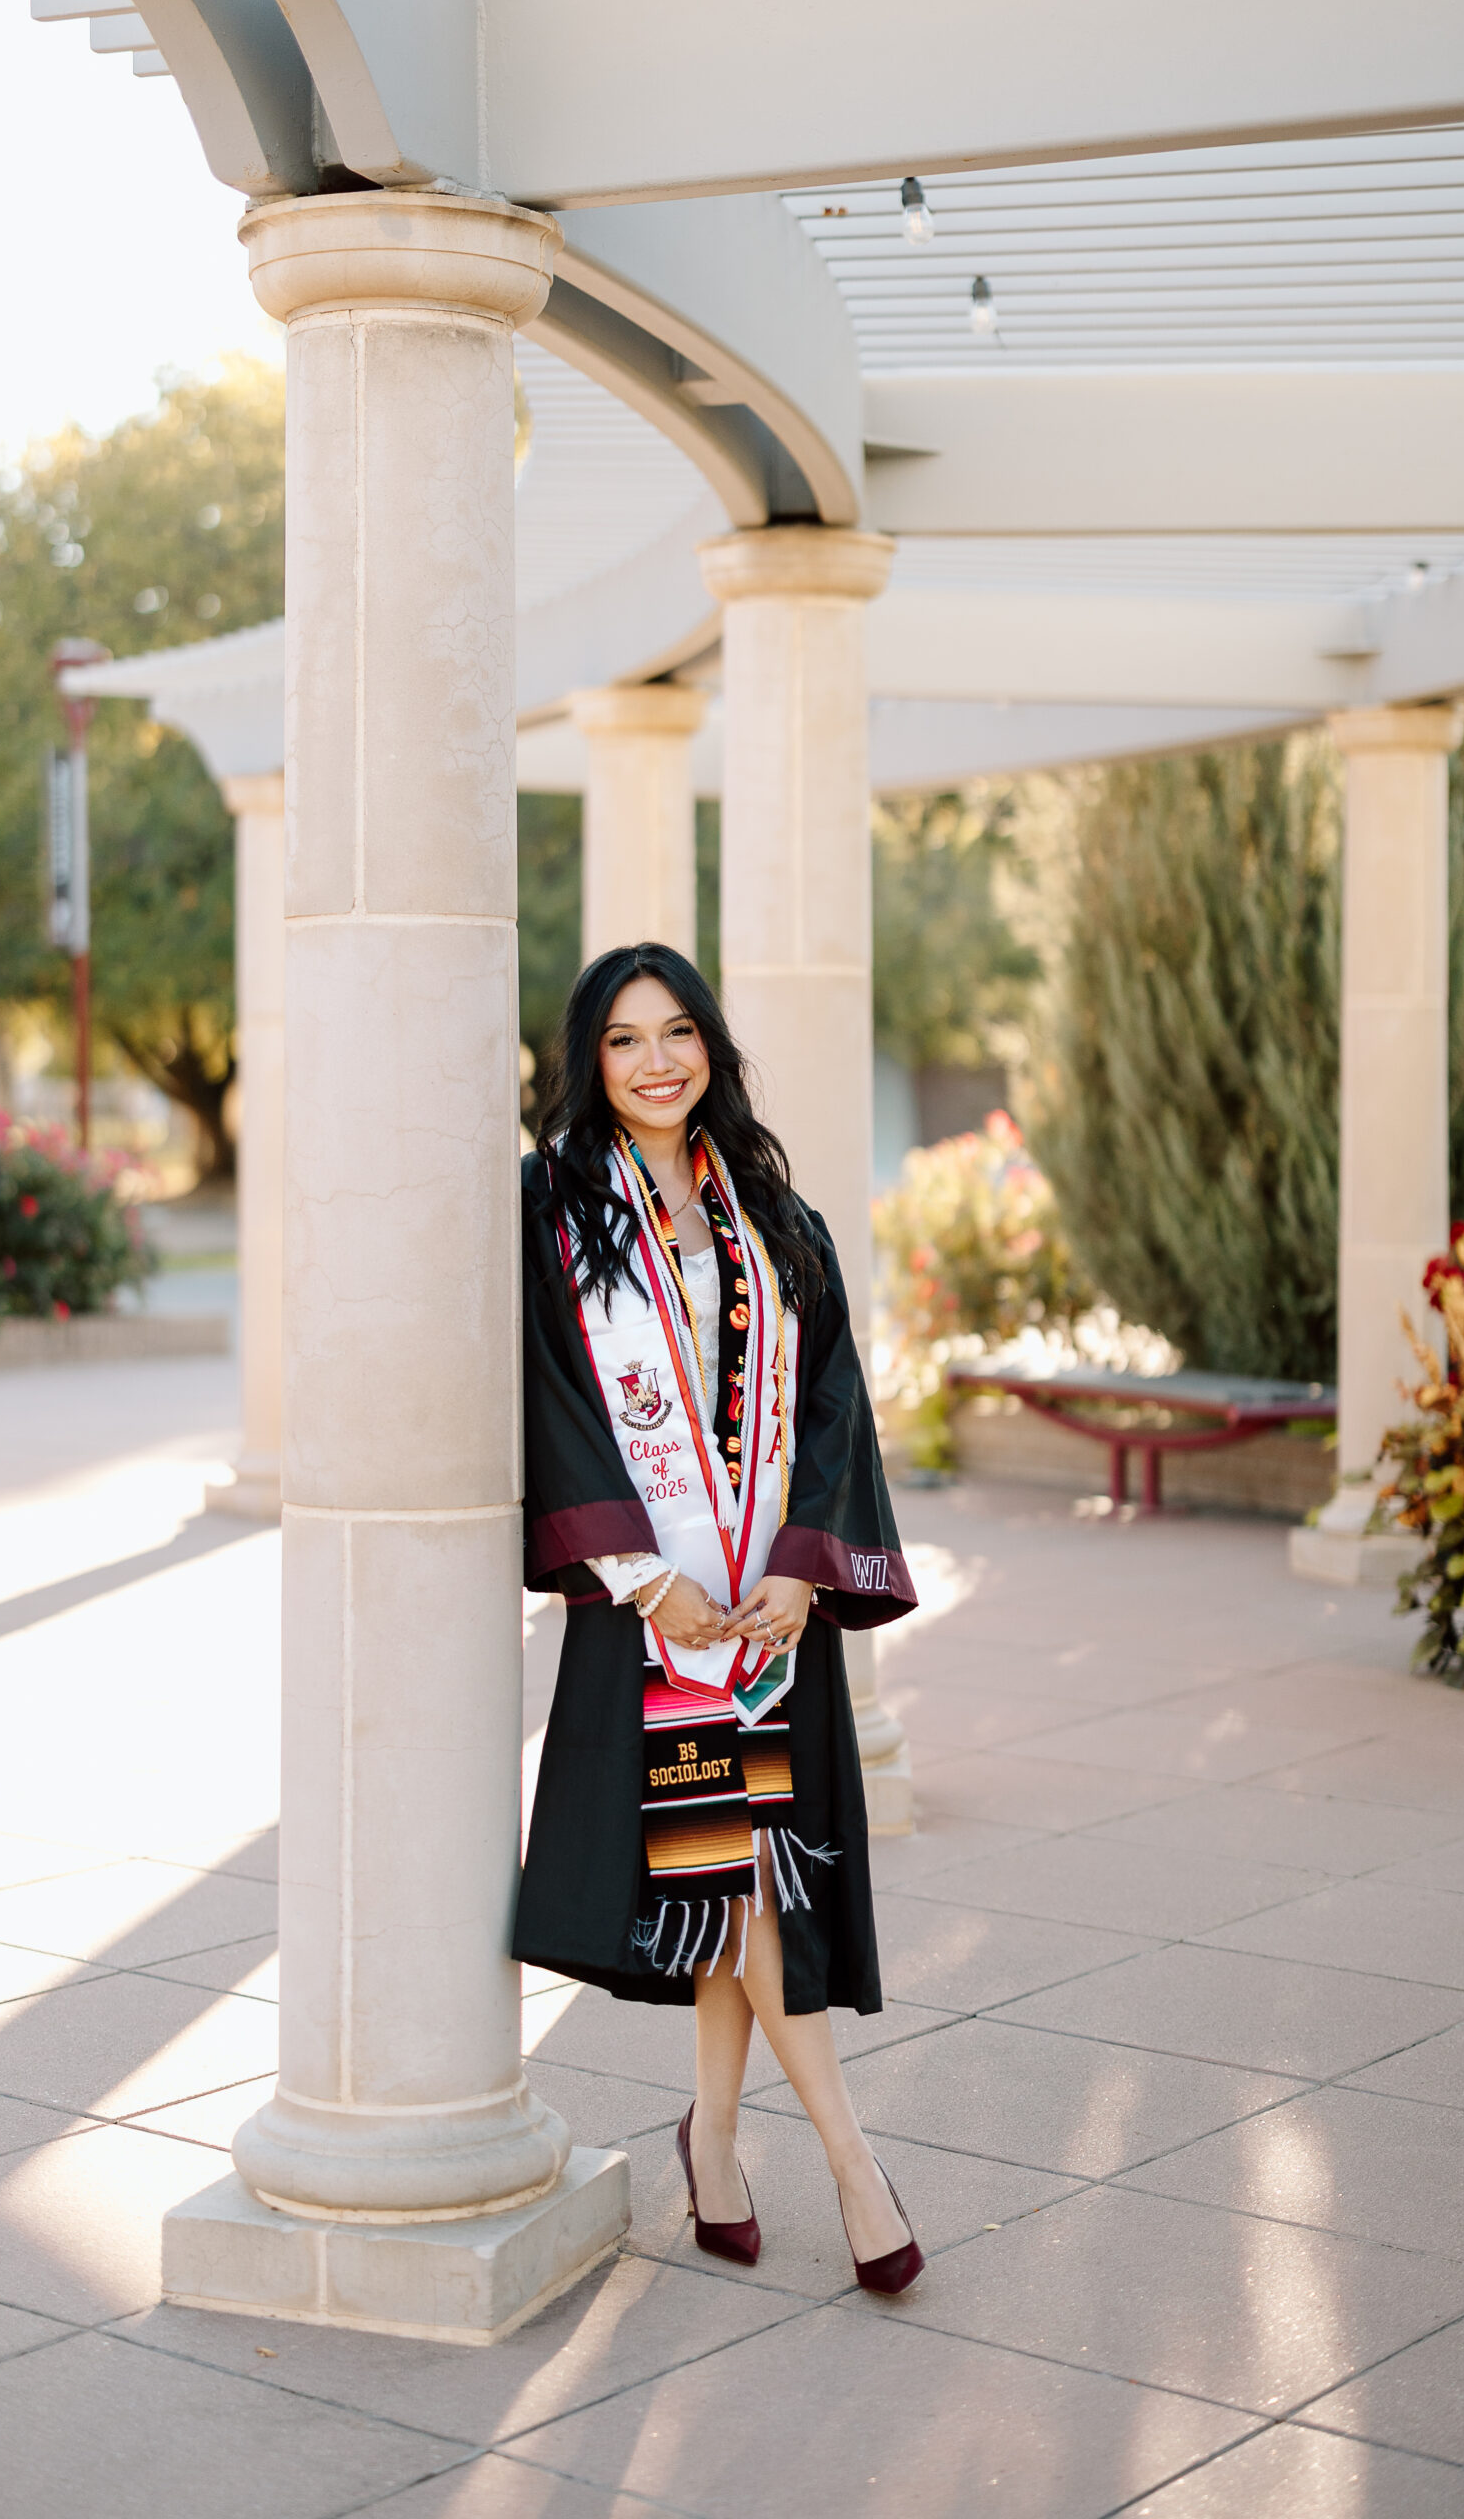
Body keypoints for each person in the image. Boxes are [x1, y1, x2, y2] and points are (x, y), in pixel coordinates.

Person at [514, 943, 924, 2294]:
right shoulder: (555, 1206)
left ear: (711, 1046)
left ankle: (717, 2143)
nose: (656, 1062)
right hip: (658, 1620)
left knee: (732, 1878)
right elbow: (551, 1397)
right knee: (742, 1880)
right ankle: (854, 2166)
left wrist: (803, 1569)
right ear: (590, 1060)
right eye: (625, 1039)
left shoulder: (767, 1209)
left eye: (678, 1032)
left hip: (764, 1618)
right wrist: (645, 1577)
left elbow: (833, 1401)